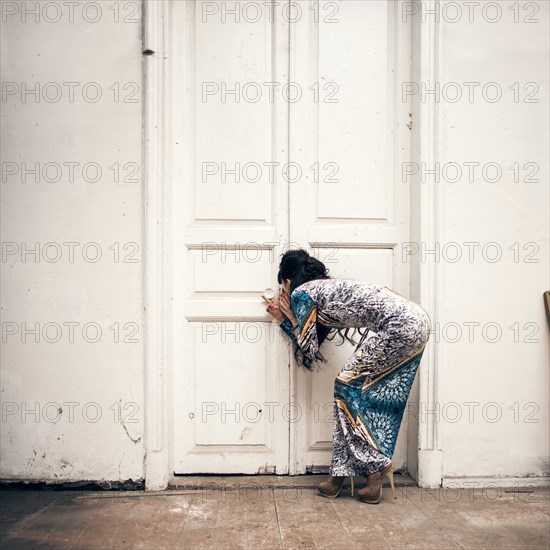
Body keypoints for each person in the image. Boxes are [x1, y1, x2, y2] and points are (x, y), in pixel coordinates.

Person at [262, 249, 431, 503]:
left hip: (399, 325)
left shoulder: (301, 293)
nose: (283, 292)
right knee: (356, 393)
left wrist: (286, 315)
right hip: (417, 321)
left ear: (287, 280)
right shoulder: (325, 289)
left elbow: (307, 347)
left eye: (282, 286)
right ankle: (339, 476)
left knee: (345, 385)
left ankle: (375, 466)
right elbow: (314, 342)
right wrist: (286, 319)